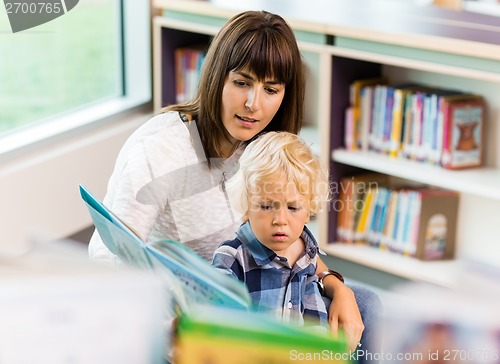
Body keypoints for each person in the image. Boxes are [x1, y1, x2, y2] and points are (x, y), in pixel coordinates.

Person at [88, 9, 379, 353]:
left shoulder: (267, 146)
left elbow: (292, 241)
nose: (253, 104)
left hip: (258, 293)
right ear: (216, 78)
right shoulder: (158, 147)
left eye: (271, 89)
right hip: (184, 316)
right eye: (241, 83)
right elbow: (109, 257)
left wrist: (335, 285)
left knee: (368, 307)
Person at [212, 131, 332, 332]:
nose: (280, 221)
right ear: (247, 207)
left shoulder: (307, 253)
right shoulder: (232, 256)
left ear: (308, 212)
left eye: (293, 208)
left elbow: (313, 305)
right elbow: (215, 310)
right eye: (267, 207)